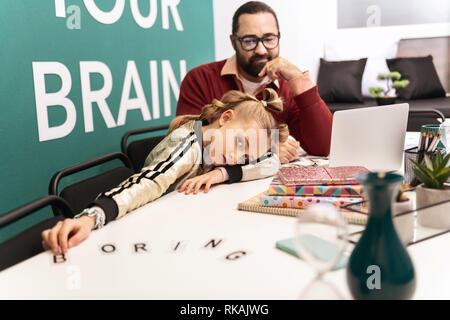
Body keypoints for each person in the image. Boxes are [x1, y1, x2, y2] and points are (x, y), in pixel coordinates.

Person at [41, 88, 289, 255]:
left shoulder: (215, 146)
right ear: (225, 118)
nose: (236, 158)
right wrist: (91, 217)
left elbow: (272, 160)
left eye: (245, 156)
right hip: (145, 226)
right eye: (240, 143)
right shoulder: (188, 144)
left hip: (176, 221)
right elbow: (148, 182)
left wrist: (223, 174)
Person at [176, 1, 333, 176]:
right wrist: (267, 149)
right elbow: (183, 147)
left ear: (278, 37)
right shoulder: (200, 79)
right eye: (249, 41)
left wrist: (300, 82)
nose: (260, 49)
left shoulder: (287, 86)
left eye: (269, 39)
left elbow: (324, 146)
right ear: (233, 42)